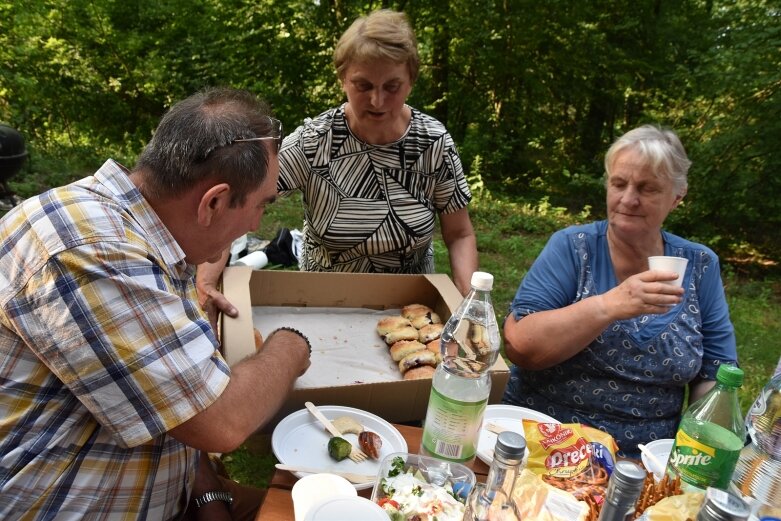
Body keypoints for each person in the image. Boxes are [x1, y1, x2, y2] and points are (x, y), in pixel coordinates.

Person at [0, 88, 311, 520]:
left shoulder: (151, 237)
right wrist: (290, 346)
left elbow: (175, 395)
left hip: (172, 496)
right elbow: (221, 418)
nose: (258, 224)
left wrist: (207, 495)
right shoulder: (92, 251)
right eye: (262, 206)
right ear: (214, 202)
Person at [196, 9, 478, 321]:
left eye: (392, 86)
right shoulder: (316, 141)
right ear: (343, 78)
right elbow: (240, 199)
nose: (377, 101)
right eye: (363, 85)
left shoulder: (433, 143)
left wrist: (468, 300)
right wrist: (208, 279)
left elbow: (460, 234)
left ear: (411, 80)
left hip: (411, 309)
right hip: (323, 304)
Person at [501, 124, 738, 458]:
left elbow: (716, 377)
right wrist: (611, 305)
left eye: (647, 188)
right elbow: (520, 345)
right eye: (619, 184)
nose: (629, 199)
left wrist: (696, 455)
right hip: (544, 445)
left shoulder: (699, 265)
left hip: (642, 460)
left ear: (677, 197)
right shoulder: (573, 247)